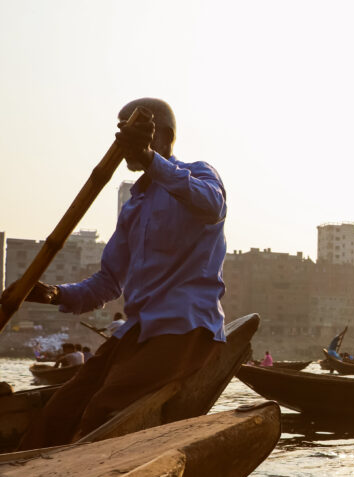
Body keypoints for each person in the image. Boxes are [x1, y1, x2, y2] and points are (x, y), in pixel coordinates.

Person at [11, 98, 227, 448]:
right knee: (60, 408)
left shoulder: (198, 173)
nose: (122, 141)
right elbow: (109, 282)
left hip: (185, 330)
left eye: (135, 129)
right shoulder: (134, 206)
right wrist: (55, 293)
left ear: (164, 136)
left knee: (104, 410)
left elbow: (212, 205)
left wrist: (149, 158)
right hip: (136, 333)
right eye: (122, 130)